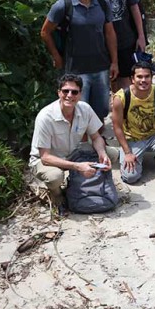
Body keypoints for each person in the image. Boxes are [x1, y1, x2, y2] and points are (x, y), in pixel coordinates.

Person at [40, 0, 117, 122]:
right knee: (80, 111)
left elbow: (110, 33)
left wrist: (114, 62)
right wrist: (56, 56)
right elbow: (45, 32)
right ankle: (82, 144)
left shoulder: (103, 3)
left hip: (101, 66)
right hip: (76, 69)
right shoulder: (63, 5)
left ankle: (98, 141)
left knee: (101, 110)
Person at [29, 74, 114, 210]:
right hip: (47, 160)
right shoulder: (45, 117)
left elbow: (96, 137)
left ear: (80, 94)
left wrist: (102, 152)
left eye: (74, 92)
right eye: (65, 91)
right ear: (59, 93)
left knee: (112, 154)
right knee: (55, 177)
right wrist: (77, 166)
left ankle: (90, 186)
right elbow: (45, 157)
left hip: (73, 153)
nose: (69, 95)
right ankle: (56, 194)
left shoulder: (85, 109)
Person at [111, 61, 155, 184]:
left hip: (153, 135)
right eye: (139, 77)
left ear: (151, 78)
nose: (143, 80)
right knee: (130, 177)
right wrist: (127, 152)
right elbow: (117, 127)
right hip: (132, 139)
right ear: (132, 79)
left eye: (147, 76)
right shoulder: (121, 97)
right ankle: (129, 156)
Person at [94, 0, 145, 89]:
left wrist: (141, 36)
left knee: (126, 81)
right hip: (102, 44)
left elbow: (135, 8)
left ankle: (124, 110)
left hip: (125, 40)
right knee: (108, 80)